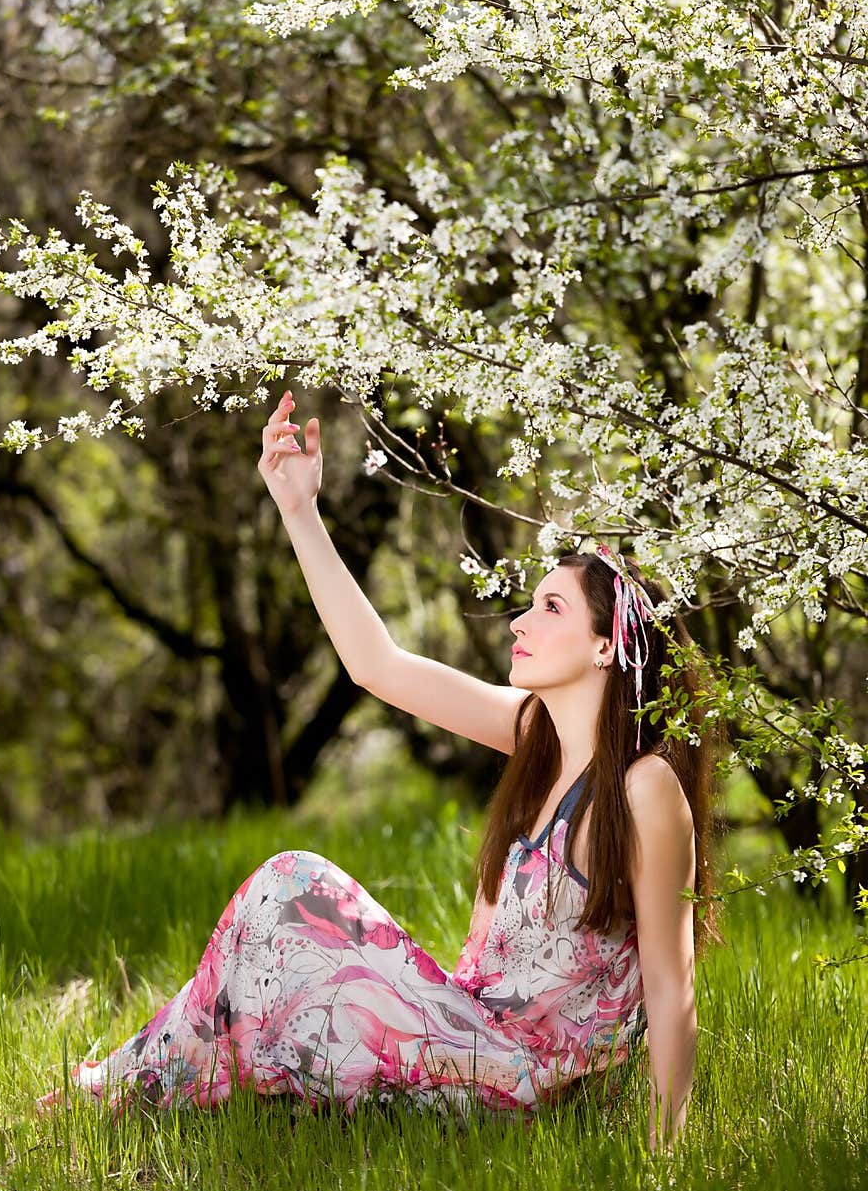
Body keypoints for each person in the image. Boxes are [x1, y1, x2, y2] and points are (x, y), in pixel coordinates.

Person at [37, 390, 723, 1152]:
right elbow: (376, 665)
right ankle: (132, 1093)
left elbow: (671, 980)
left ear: (607, 646)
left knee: (291, 885)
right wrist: (299, 510)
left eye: (552, 608)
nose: (521, 623)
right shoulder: (533, 736)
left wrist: (668, 1157)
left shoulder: (644, 787)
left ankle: (122, 1095)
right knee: (276, 922)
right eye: (529, 605)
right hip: (468, 1030)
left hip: (525, 1077)